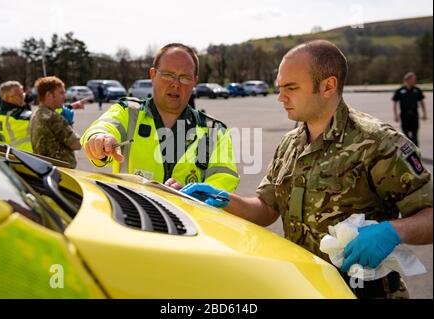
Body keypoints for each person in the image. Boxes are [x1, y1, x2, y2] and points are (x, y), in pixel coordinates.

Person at [181, 40, 433, 299]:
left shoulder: (378, 143)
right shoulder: (291, 143)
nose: (281, 97)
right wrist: (223, 201)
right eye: (280, 88)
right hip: (304, 288)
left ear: (328, 86)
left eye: (291, 87)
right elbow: (267, 208)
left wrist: (393, 231)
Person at [81, 43, 239, 192]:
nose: (176, 84)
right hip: (130, 216)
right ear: (153, 74)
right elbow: (104, 126)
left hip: (188, 218)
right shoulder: (128, 113)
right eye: (168, 75)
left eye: (184, 77)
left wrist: (194, 195)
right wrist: (99, 140)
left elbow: (224, 181)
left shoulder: (214, 131)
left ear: (194, 82)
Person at [30, 76, 81, 168]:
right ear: (49, 95)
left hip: (44, 168)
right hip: (61, 171)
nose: (64, 97)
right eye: (61, 93)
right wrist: (69, 123)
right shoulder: (53, 117)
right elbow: (76, 144)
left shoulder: (36, 114)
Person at [0, 81, 33, 152]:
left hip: (12, 156)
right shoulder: (15, 117)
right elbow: (39, 118)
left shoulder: (0, 115)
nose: (23, 97)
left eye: (23, 94)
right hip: (25, 158)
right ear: (8, 98)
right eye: (19, 95)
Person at [392, 72, 427, 146]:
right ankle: (409, 152)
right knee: (406, 134)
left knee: (415, 134)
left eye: (415, 79)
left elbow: (422, 102)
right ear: (407, 80)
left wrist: (424, 113)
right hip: (404, 115)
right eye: (413, 79)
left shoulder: (417, 90)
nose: (414, 81)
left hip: (414, 115)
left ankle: (416, 152)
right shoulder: (400, 90)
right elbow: (395, 103)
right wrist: (396, 115)